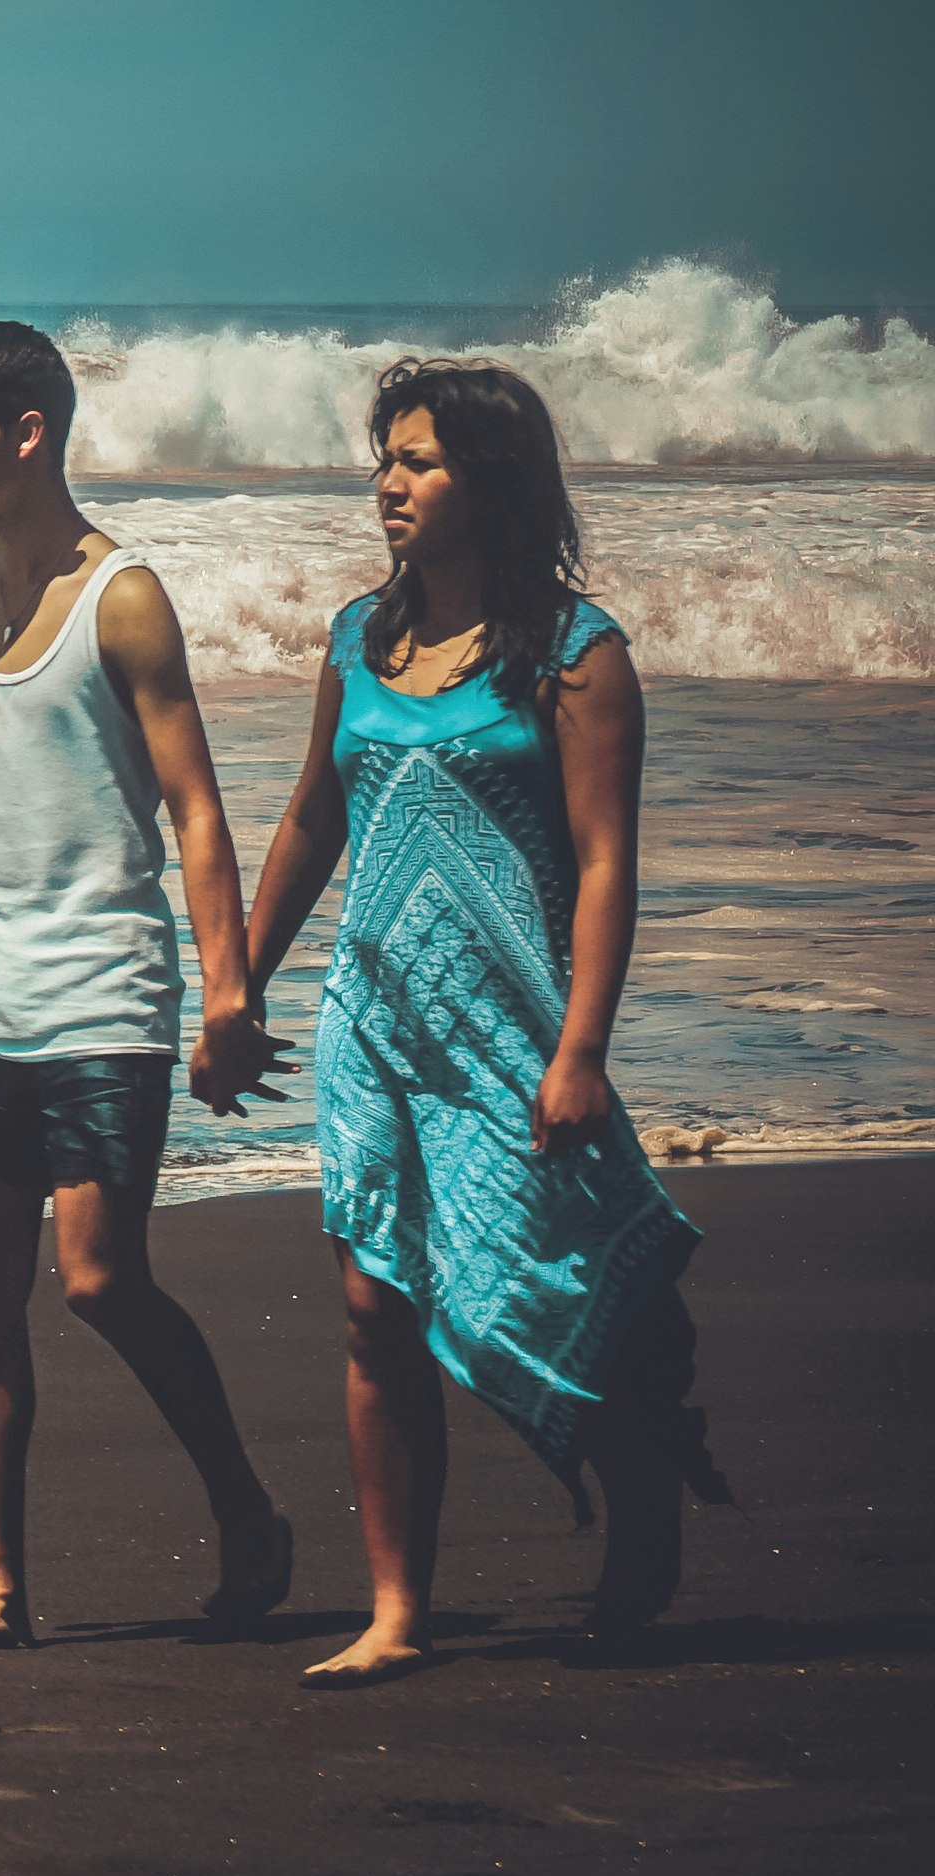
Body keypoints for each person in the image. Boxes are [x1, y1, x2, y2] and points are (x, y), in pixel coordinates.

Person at [230, 358, 720, 1684]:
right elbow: (314, 817)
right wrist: (239, 980)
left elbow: (610, 861)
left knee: (537, 1278)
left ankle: (640, 1474)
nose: (388, 483)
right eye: (385, 458)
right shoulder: (356, 640)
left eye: (420, 461)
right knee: (374, 1301)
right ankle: (399, 1611)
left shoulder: (576, 653)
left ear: (490, 481)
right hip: (372, 1018)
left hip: (513, 1023)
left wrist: (583, 1052)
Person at [0, 322, 296, 1653]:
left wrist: (229, 994)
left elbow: (197, 811)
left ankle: (244, 1505)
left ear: (29, 434)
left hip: (107, 991)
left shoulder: (124, 598)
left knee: (101, 1281)